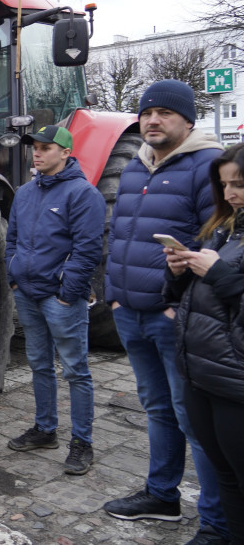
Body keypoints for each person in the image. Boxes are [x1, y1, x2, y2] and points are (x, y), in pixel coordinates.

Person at [104, 79, 230, 544]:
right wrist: (115, 294)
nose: (152, 120)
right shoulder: (136, 167)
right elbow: (120, 237)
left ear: (187, 120)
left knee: (195, 420)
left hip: (172, 317)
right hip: (130, 312)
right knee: (157, 408)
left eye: (164, 113)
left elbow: (215, 241)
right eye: (146, 113)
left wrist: (181, 305)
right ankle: (163, 495)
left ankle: (218, 522)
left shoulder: (207, 167)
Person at [5, 125, 105, 475]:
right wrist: (13, 277)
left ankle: (82, 442)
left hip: (59, 299)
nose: (38, 153)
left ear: (65, 153)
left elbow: (88, 249)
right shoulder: (25, 193)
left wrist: (67, 293)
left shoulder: (83, 194)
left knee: (76, 370)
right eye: (36, 147)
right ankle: (45, 429)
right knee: (39, 364)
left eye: (47, 148)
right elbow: (12, 240)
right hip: (27, 294)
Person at [162, 142, 244, 544]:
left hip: (234, 381)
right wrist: (179, 272)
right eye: (225, 184)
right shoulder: (222, 230)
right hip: (201, 374)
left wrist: (218, 274)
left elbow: (229, 289)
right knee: (225, 473)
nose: (230, 194)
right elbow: (196, 298)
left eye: (240, 184)